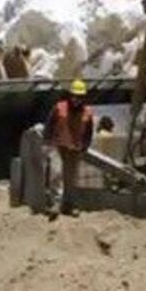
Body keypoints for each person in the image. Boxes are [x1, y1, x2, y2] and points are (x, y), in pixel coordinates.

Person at [44, 79, 94, 216]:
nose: (77, 99)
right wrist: (47, 143)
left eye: (80, 97)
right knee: (56, 172)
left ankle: (69, 205)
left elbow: (89, 133)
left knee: (71, 178)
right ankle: (55, 203)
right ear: (70, 95)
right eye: (75, 96)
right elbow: (49, 125)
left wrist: (84, 146)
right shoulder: (59, 108)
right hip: (58, 146)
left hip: (75, 149)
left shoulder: (87, 112)